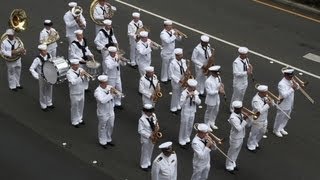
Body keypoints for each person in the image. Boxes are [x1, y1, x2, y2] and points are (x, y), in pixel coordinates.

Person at [225, 101, 251, 173]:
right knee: (232, 152)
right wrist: (245, 119)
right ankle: (228, 166)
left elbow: (247, 125)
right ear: (235, 109)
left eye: (241, 108)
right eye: (239, 109)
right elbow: (239, 128)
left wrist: (249, 118)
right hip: (235, 137)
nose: (241, 110)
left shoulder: (240, 114)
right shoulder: (233, 117)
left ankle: (233, 162)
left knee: (237, 151)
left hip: (241, 136)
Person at [273, 68, 298, 137]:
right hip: (283, 103)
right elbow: (284, 95)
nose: (291, 78)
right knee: (280, 117)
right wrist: (292, 88)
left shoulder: (291, 80)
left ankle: (281, 128)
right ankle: (276, 130)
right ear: (285, 75)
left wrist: (296, 85)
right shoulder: (281, 84)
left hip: (290, 102)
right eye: (290, 76)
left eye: (292, 76)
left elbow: (297, 87)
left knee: (286, 117)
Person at [247, 85, 272, 151]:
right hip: (258, 119)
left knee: (262, 132)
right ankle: (250, 145)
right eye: (265, 92)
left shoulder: (264, 97)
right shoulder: (256, 100)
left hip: (264, 118)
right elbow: (260, 111)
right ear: (261, 92)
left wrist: (271, 102)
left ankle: (255, 142)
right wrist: (268, 105)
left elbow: (272, 103)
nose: (267, 94)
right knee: (254, 133)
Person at [94, 75, 116, 148]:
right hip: (103, 112)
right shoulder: (97, 91)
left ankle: (108, 139)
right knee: (102, 127)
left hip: (110, 110)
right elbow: (102, 101)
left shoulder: (109, 87)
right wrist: (111, 95)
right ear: (101, 83)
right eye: (105, 83)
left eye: (106, 82)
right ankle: (102, 141)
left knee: (111, 125)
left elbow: (115, 94)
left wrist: (116, 93)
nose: (107, 84)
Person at [29, 44, 54, 111]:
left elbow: (52, 63)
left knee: (49, 89)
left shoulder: (49, 55)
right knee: (43, 91)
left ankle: (49, 103)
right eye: (44, 51)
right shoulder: (37, 59)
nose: (46, 51)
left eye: (46, 50)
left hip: (49, 76)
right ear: (40, 51)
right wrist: (37, 76)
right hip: (42, 77)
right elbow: (31, 68)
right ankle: (43, 105)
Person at [179, 79, 201, 148]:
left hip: (192, 111)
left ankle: (187, 137)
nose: (194, 89)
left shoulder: (195, 92)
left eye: (194, 87)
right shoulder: (184, 93)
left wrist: (195, 97)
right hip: (185, 111)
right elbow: (181, 104)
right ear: (189, 86)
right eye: (192, 87)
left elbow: (199, 102)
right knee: (184, 125)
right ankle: (181, 139)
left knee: (190, 125)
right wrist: (187, 97)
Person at [230, 47, 253, 111]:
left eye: (246, 54)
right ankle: (232, 109)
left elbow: (248, 66)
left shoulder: (246, 59)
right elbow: (236, 73)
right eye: (245, 54)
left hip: (245, 81)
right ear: (241, 54)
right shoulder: (236, 62)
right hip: (238, 82)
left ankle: (239, 107)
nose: (246, 55)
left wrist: (250, 69)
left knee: (241, 95)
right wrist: (246, 73)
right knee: (236, 96)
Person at [204, 65, 225, 130]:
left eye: (218, 72)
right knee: (209, 112)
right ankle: (206, 124)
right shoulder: (208, 81)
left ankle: (212, 122)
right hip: (211, 99)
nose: (217, 74)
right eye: (216, 73)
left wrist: (221, 87)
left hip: (216, 98)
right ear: (212, 73)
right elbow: (209, 92)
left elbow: (219, 84)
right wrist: (218, 91)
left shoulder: (218, 77)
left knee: (216, 110)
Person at [138, 104, 158, 171]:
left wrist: (157, 127)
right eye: (150, 111)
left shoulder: (154, 115)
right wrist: (149, 136)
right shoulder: (142, 119)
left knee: (150, 150)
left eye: (152, 111)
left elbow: (156, 122)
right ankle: (143, 165)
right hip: (146, 138)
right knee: (145, 151)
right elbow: (140, 130)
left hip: (153, 136)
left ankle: (148, 162)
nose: (151, 113)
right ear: (145, 112)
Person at [66, 59, 86, 128]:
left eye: (78, 65)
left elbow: (84, 79)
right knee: (75, 107)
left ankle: (80, 118)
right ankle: (74, 121)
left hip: (81, 90)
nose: (77, 66)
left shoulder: (80, 69)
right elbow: (73, 83)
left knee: (81, 106)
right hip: (74, 93)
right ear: (72, 65)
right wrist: (80, 76)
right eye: (75, 65)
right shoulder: (69, 73)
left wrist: (86, 77)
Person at [168, 48, 187, 113]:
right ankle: (173, 108)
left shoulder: (183, 61)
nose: (181, 56)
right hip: (176, 81)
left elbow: (185, 69)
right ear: (176, 55)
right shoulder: (172, 63)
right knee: (175, 94)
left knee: (181, 93)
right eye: (180, 55)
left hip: (183, 79)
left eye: (181, 55)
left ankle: (178, 105)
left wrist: (186, 75)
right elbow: (171, 74)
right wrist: (179, 80)